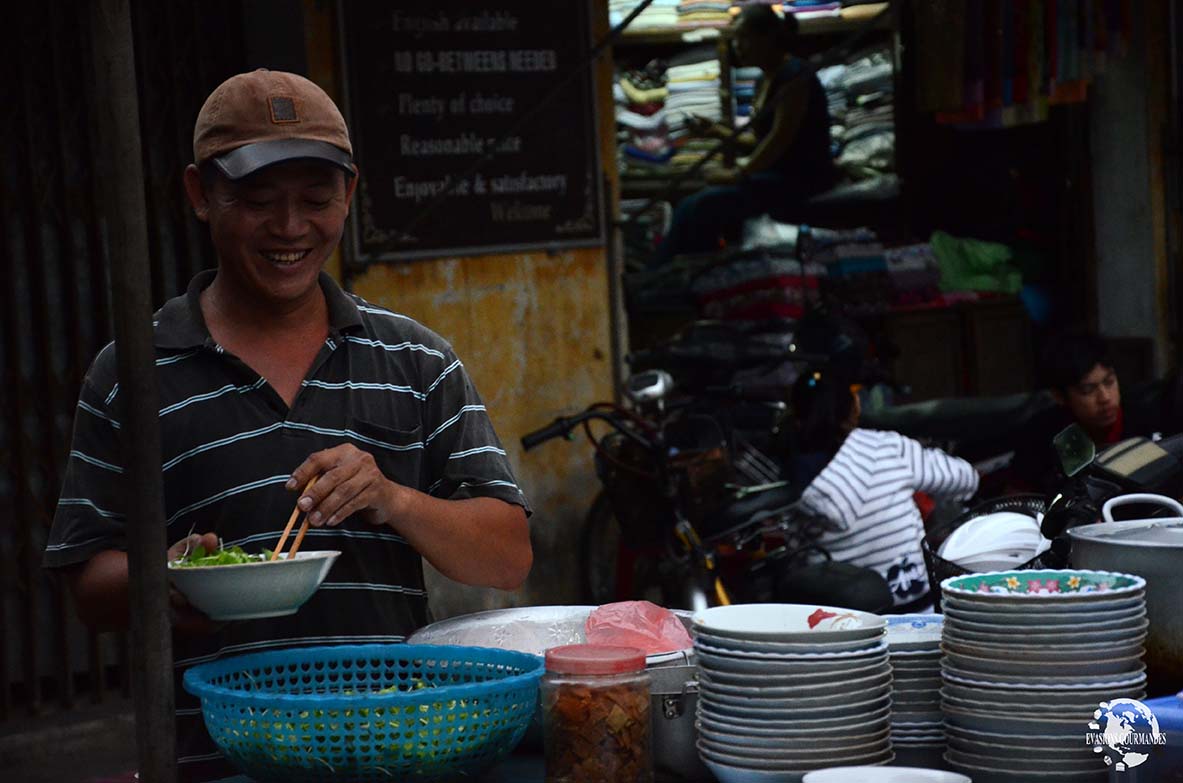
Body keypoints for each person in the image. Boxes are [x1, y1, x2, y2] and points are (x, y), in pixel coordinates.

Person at [44, 69, 532, 782]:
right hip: (218, 758)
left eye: (314, 199)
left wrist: (392, 498)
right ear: (198, 195)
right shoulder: (134, 371)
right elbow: (86, 580)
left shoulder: (414, 358)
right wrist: (169, 577)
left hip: (396, 749)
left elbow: (508, 555)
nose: (291, 228)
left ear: (350, 193)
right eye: (257, 200)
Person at [652, 6, 836, 265]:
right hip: (774, 177)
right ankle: (693, 274)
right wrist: (715, 130)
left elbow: (779, 140)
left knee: (697, 207)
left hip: (802, 179)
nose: (737, 46)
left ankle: (660, 276)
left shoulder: (796, 76)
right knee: (695, 204)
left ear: (768, 38)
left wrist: (737, 174)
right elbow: (759, 139)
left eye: (743, 38)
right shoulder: (764, 79)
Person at [789, 367, 979, 610]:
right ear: (855, 408)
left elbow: (798, 559)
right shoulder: (885, 447)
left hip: (850, 629)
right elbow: (964, 479)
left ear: (796, 418)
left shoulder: (793, 481)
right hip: (919, 612)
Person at [1008, 333, 1160, 496]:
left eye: (1109, 382)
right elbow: (1017, 499)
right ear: (1059, 396)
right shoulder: (1040, 434)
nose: (1105, 397)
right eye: (1088, 390)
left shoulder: (1147, 420)